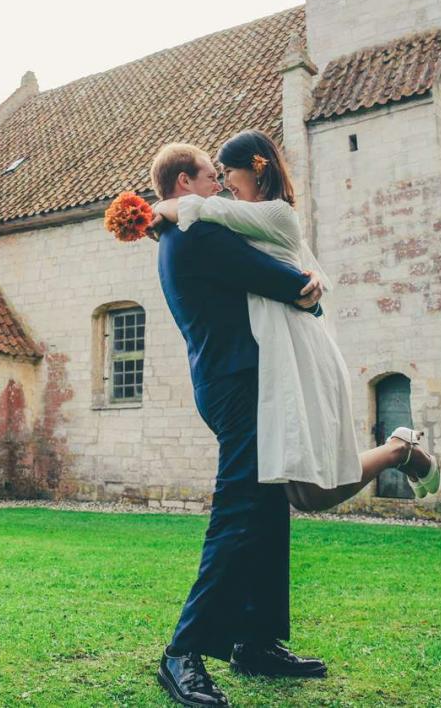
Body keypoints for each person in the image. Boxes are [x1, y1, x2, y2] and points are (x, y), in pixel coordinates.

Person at [153, 130, 440, 514]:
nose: (224, 184)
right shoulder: (243, 220)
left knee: (311, 487)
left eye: (228, 172)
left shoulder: (275, 212)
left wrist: (160, 210)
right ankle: (398, 450)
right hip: (278, 349)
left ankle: (400, 451)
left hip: (299, 351)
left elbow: (204, 212)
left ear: (256, 169)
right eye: (217, 174)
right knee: (308, 496)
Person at [150, 141, 332, 707]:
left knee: (268, 506)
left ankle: (254, 642)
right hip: (237, 385)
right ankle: (182, 652)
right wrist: (308, 285)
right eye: (211, 175)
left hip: (235, 381)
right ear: (184, 183)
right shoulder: (197, 234)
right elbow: (286, 282)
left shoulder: (184, 231)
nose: (220, 185)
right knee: (237, 509)